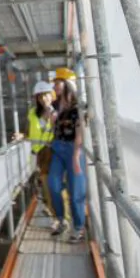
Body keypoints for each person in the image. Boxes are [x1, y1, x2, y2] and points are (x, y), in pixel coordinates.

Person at [48, 67, 86, 241]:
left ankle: (78, 227)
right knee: (53, 184)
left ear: (67, 84)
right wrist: (51, 117)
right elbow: (51, 125)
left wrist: (77, 156)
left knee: (75, 190)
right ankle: (62, 219)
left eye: (57, 83)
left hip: (73, 149)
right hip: (57, 147)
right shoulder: (55, 105)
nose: (55, 86)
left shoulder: (79, 106)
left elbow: (80, 131)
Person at [25, 80, 58, 218]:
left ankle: (61, 217)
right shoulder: (32, 113)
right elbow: (28, 131)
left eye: (46, 95)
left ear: (52, 95)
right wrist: (22, 135)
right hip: (40, 154)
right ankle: (54, 212)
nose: (44, 98)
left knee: (55, 186)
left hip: (54, 152)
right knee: (45, 185)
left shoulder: (57, 113)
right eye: (40, 96)